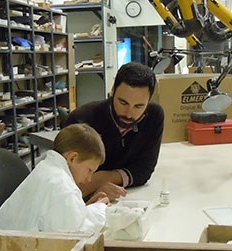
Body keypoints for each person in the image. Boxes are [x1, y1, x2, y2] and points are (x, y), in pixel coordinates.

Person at [64, 62, 164, 201]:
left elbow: (144, 170)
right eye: (123, 103)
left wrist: (105, 178)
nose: (129, 114)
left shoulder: (154, 116)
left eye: (139, 106)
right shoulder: (82, 120)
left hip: (124, 198)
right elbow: (65, 183)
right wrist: (93, 193)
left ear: (148, 101)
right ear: (112, 91)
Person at [0, 124, 109, 233]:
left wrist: (86, 208)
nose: (89, 179)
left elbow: (66, 218)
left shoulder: (47, 168)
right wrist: (100, 209)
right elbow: (75, 235)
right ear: (72, 158)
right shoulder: (63, 186)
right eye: (89, 170)